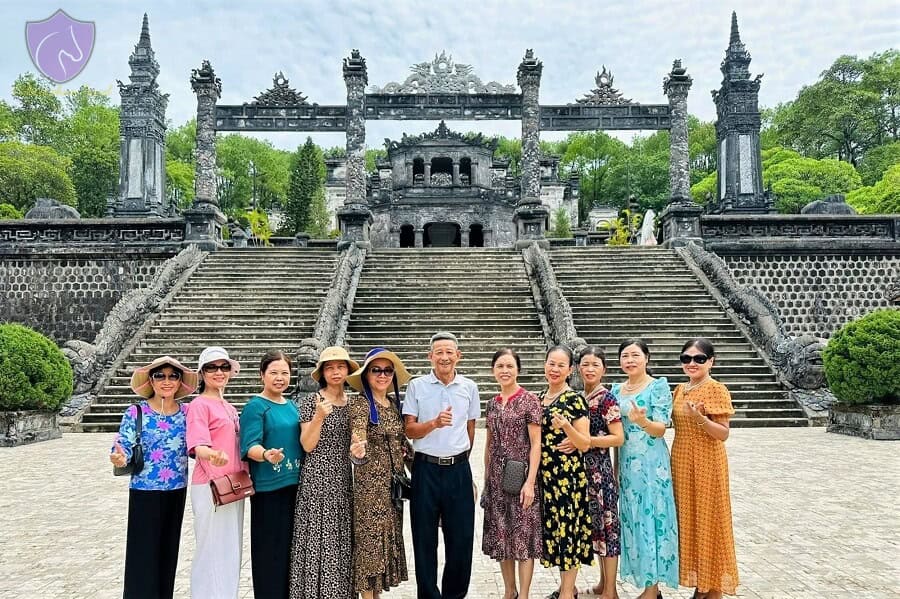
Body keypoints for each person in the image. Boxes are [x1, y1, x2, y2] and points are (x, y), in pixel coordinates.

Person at [109, 355, 197, 599]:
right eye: (160, 376)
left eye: (173, 376)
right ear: (151, 380)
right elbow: (123, 444)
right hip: (144, 489)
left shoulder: (187, 412)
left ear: (180, 381)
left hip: (176, 488)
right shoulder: (137, 411)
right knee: (142, 553)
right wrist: (120, 457)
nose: (166, 381)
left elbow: (198, 443)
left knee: (168, 551)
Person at [403, 331, 481, 599]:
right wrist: (433, 424)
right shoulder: (417, 386)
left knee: (461, 540)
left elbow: (470, 429)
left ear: (458, 355)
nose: (445, 357)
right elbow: (410, 430)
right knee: (424, 539)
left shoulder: (469, 387)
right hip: (425, 470)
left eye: (450, 352)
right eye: (439, 352)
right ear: (430, 356)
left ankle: (454, 595)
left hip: (458, 470)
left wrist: (460, 460)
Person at [610, 339, 679, 599]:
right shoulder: (617, 390)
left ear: (646, 358)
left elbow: (661, 428)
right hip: (628, 465)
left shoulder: (657, 387)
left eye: (635, 355)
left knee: (653, 520)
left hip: (653, 466)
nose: (630, 360)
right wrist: (616, 468)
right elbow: (617, 434)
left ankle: (652, 589)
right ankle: (644, 581)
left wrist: (643, 421)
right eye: (625, 356)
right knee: (633, 520)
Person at [289, 346, 359, 599]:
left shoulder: (354, 404)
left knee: (339, 538)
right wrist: (319, 416)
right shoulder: (312, 402)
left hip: (342, 478)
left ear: (348, 370)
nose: (336, 371)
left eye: (340, 366)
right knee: (317, 537)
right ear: (322, 373)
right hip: (317, 478)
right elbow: (307, 444)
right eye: (330, 367)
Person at [671, 338, 739, 598]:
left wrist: (700, 418)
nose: (692, 363)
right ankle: (701, 582)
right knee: (689, 521)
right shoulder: (679, 389)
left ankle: (711, 588)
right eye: (686, 358)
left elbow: (722, 434)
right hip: (681, 461)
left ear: (711, 361)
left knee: (710, 520)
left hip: (707, 462)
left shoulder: (716, 389)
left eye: (699, 359)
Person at [347, 347, 413, 598]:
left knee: (383, 551)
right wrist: (357, 450)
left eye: (387, 371)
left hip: (392, 489)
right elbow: (358, 434)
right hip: (370, 491)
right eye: (376, 370)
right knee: (370, 550)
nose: (382, 375)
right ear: (366, 375)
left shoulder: (394, 404)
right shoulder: (361, 404)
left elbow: (403, 445)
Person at [240, 350, 304, 599]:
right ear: (262, 375)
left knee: (289, 551)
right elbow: (249, 445)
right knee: (269, 553)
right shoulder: (256, 406)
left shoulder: (291, 406)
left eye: (285, 373)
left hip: (294, 485)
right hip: (268, 488)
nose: (280, 378)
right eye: (274, 373)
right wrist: (266, 454)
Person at [481, 348, 542, 599]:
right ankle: (509, 591)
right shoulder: (492, 404)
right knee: (502, 536)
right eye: (500, 366)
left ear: (518, 369)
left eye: (509, 366)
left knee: (523, 536)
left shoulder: (529, 400)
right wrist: (486, 478)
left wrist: (530, 482)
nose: (504, 371)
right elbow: (489, 442)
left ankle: (524, 594)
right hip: (496, 478)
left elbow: (536, 443)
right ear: (493, 370)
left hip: (521, 475)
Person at [186, 346, 246, 599]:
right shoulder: (199, 405)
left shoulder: (229, 407)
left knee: (230, 548)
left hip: (234, 484)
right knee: (210, 548)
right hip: (211, 483)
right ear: (202, 373)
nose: (218, 372)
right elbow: (198, 445)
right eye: (212, 367)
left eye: (223, 367)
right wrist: (212, 454)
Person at [538, 345, 593, 599]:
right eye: (551, 363)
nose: (555, 369)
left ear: (570, 369)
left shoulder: (575, 399)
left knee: (569, 531)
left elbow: (584, 443)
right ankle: (564, 589)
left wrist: (568, 428)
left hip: (567, 477)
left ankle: (568, 593)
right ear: (545, 365)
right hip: (545, 476)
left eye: (561, 365)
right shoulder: (539, 397)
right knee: (555, 531)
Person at [570, 345, 625, 599]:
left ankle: (610, 591)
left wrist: (587, 440)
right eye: (585, 364)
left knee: (609, 530)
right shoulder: (580, 397)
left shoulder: (607, 399)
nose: (589, 369)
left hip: (600, 472)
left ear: (604, 369)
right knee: (597, 531)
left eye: (595, 365)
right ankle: (603, 584)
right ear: (578, 368)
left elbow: (618, 438)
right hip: (583, 472)